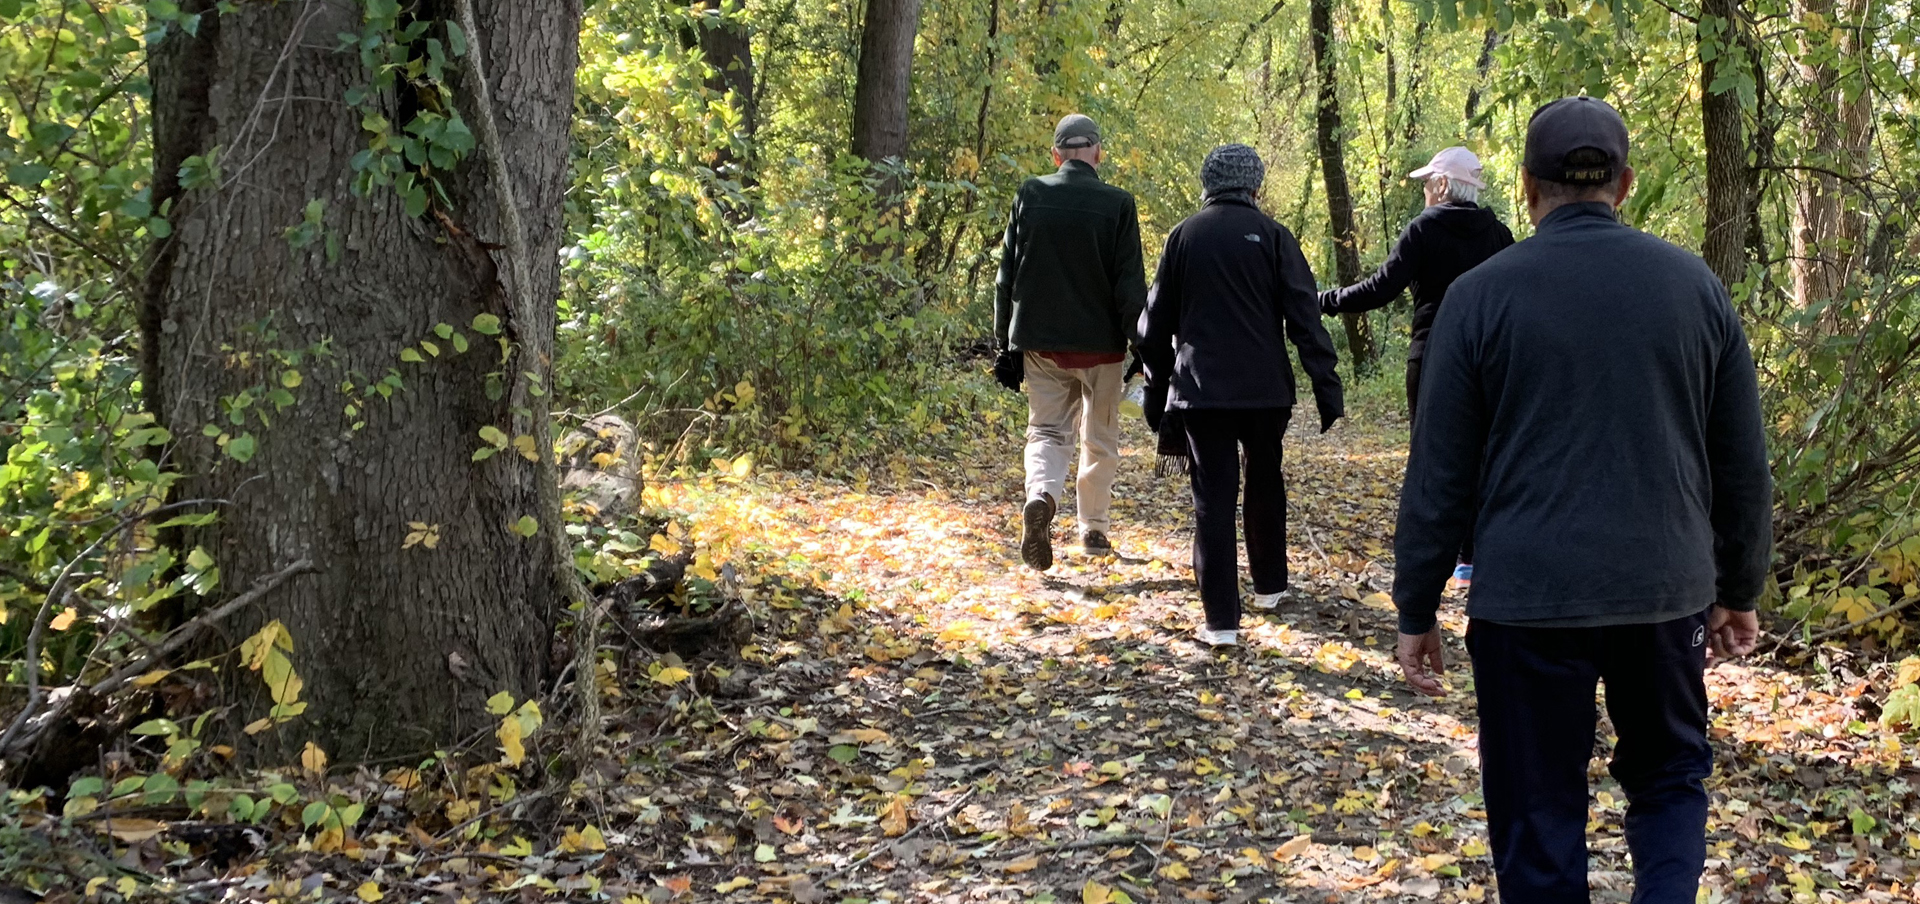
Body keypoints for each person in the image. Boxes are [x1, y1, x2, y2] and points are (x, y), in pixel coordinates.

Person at [1390, 96, 1773, 903]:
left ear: (1527, 188)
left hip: (1527, 598)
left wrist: (1416, 607)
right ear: (1625, 183)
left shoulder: (1479, 298)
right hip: (1663, 591)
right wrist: (1738, 590)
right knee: (1670, 778)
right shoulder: (1695, 288)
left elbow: (1439, 474)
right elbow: (1742, 462)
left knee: (1536, 807)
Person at [1138, 144, 1344, 647]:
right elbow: (1303, 314)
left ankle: (1221, 623)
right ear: (1256, 187)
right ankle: (1270, 586)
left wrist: (1156, 388)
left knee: (1213, 497)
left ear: (1207, 184)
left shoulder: (1182, 237)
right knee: (1265, 480)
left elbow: (1153, 323)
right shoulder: (1274, 236)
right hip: (1264, 391)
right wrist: (1325, 385)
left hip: (1201, 392)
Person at [1320, 146, 1514, 588]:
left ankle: (1431, 560)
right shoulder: (1499, 235)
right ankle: (1472, 556)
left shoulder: (1424, 229)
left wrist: (1322, 302)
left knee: (1432, 457)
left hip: (1432, 357)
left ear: (1443, 185)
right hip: (1487, 359)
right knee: (1483, 453)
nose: (1425, 189)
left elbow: (1379, 289)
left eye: (1428, 182)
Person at [993, 113, 1148, 571]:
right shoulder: (1119, 204)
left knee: (1046, 431)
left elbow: (1007, 276)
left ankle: (1041, 494)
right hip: (1102, 348)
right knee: (1099, 438)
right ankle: (1093, 528)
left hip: (1041, 345)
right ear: (1098, 153)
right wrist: (1143, 349)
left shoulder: (1030, 194)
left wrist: (1004, 344)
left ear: (1056, 155)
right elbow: (1129, 286)